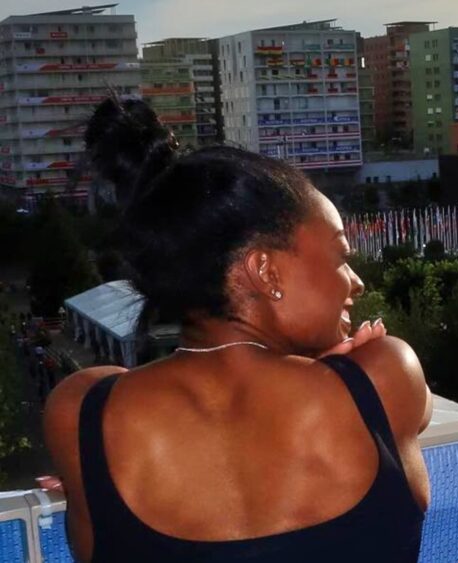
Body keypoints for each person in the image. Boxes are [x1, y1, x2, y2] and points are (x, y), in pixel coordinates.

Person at [43, 98, 432, 562]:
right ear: (264, 271)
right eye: (340, 256)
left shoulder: (83, 414)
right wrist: (337, 374)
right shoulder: (383, 378)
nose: (355, 281)